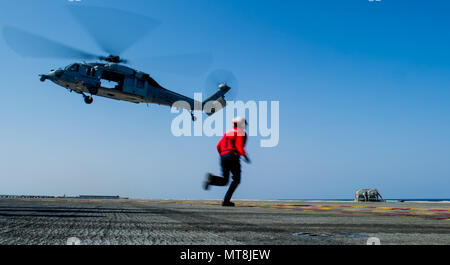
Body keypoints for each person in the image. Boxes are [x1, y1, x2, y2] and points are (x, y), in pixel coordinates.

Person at [203, 117, 251, 207]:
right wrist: (245, 156)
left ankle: (212, 179)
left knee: (225, 181)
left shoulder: (227, 133)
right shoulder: (241, 133)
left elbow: (218, 145)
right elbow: (239, 146)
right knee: (236, 180)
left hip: (223, 157)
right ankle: (226, 201)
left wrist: (223, 155)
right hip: (233, 157)